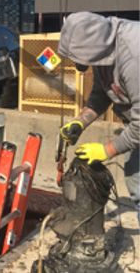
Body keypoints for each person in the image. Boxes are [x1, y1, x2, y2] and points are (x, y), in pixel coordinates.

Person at [58, 11, 140, 220]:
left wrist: (107, 150)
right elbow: (102, 93)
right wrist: (80, 122)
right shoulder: (103, 48)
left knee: (138, 180)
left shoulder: (133, 57)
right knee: (135, 177)